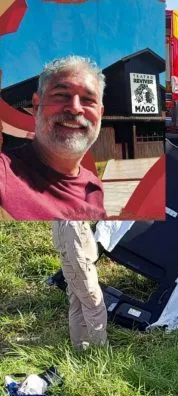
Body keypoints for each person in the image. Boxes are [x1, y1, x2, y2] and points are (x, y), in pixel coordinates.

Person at [0, 55, 106, 220]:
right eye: (61, 95)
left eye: (88, 99)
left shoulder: (94, 186)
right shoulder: (5, 173)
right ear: (36, 106)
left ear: (100, 114)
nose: (75, 108)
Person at [51, 221, 108, 349]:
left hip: (70, 268)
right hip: (80, 269)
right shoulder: (72, 223)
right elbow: (75, 253)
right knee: (95, 308)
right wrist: (85, 275)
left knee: (77, 306)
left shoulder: (60, 217)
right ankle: (101, 349)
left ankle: (80, 347)